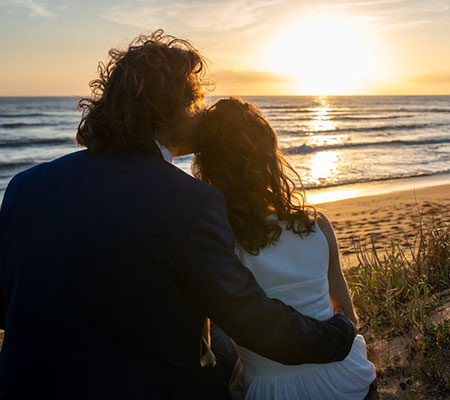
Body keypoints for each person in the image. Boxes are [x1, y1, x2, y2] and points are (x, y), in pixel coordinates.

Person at [0, 31, 356, 399]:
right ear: (167, 112)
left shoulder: (25, 187)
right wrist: (339, 333)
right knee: (224, 342)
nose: (201, 115)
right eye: (195, 103)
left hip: (26, 387)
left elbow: (4, 306)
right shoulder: (190, 202)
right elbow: (254, 322)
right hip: (149, 387)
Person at [192, 97, 376, 399]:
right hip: (348, 380)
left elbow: (203, 341)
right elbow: (348, 318)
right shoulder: (317, 225)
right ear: (269, 158)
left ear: (209, 166)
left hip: (272, 390)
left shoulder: (219, 244)